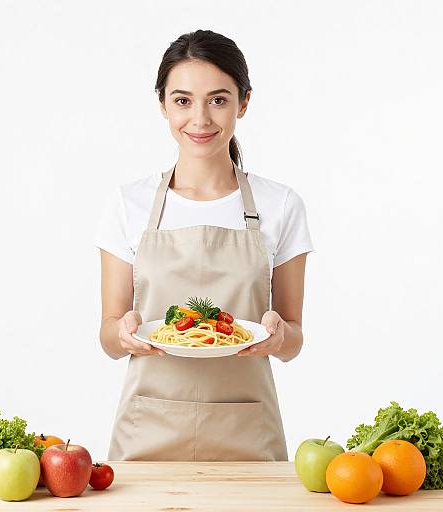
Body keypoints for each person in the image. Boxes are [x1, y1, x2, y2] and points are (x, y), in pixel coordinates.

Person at [94, 29, 313, 462]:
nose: (200, 119)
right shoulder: (129, 203)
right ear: (162, 105)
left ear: (243, 103)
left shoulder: (281, 204)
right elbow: (108, 334)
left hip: (248, 432)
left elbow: (293, 339)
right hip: (147, 430)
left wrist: (279, 335)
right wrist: (122, 334)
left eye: (218, 99)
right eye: (182, 101)